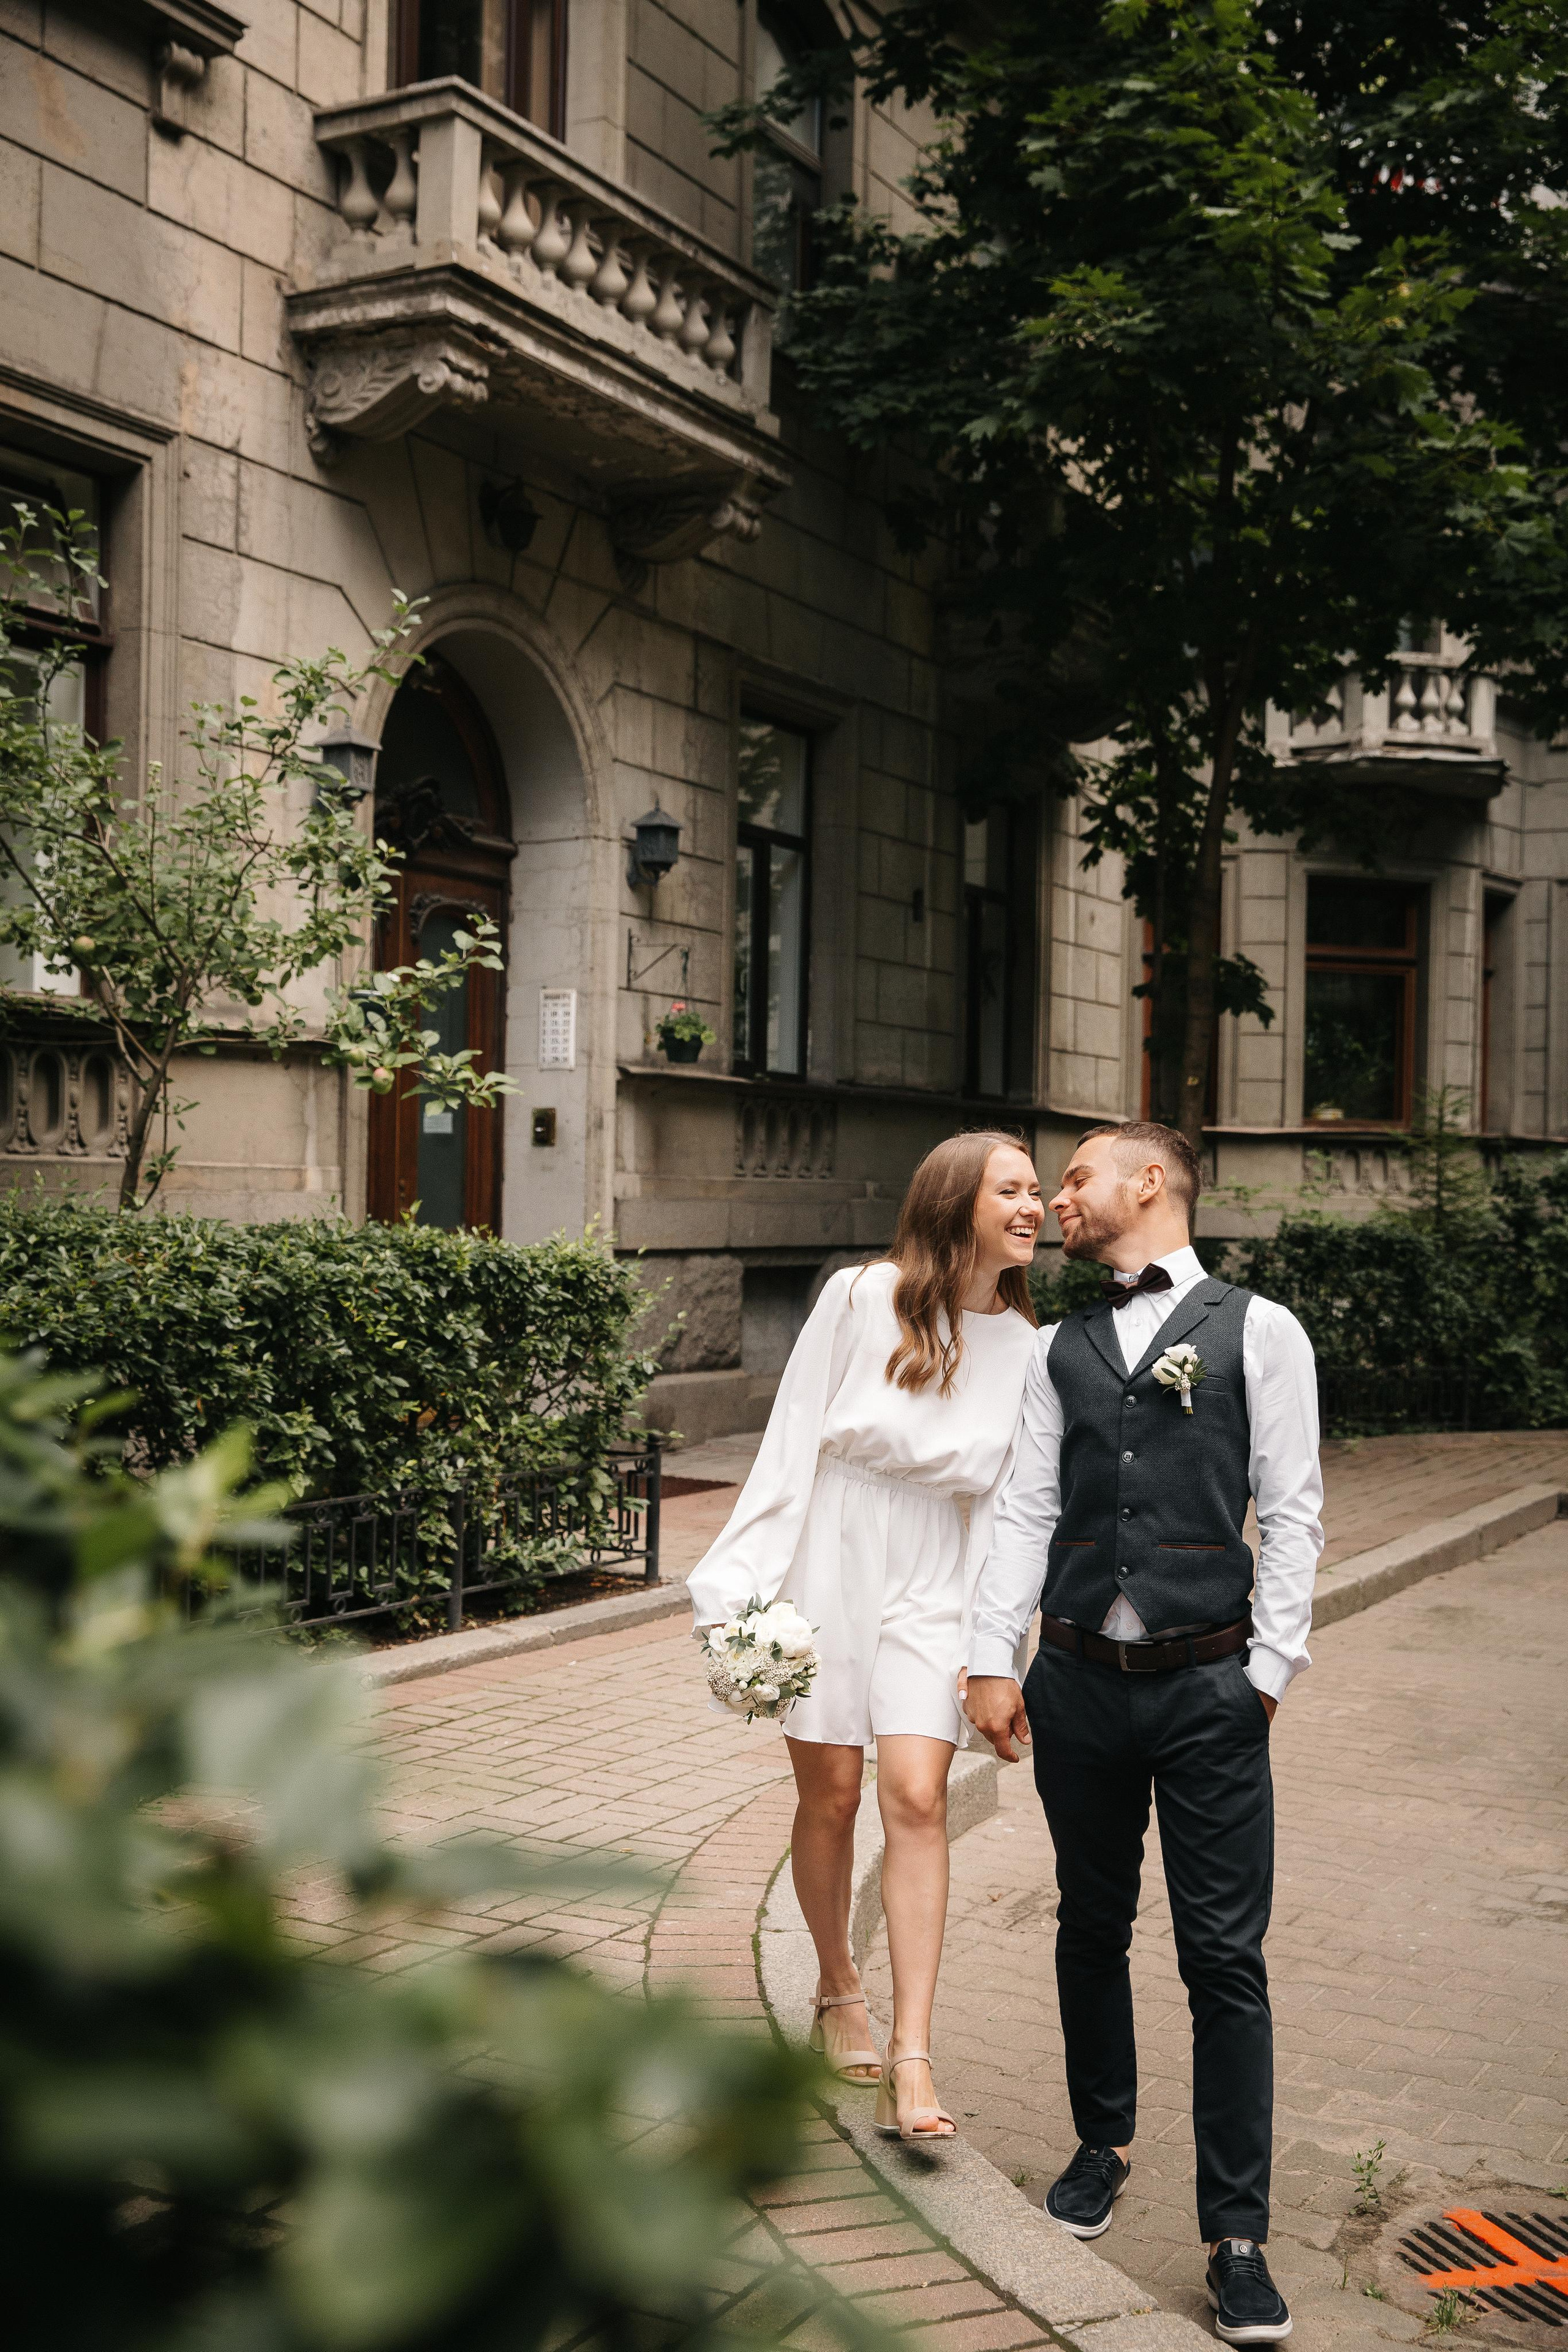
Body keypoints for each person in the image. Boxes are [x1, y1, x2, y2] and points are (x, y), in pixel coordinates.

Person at [965, 1121, 1322, 2348]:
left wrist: (1265, 1673)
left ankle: (1235, 2236)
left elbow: (1291, 1508)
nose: (1055, 1196)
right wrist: (988, 1657)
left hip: (1208, 1688)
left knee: (1224, 1959)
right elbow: (1020, 1507)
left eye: (1072, 1176)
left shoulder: (1258, 1330)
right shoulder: (1053, 1348)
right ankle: (1098, 2144)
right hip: (1071, 1681)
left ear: (1146, 1182)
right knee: (1088, 1923)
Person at [688, 1131, 1044, 2142]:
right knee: (834, 1793)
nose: (1035, 1208)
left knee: (919, 1795)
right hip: (834, 1552)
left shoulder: (1029, 1346)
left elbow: (1015, 1511)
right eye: (1011, 1190)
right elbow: (793, 1437)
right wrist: (739, 1590)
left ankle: (914, 2059)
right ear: (955, 1202)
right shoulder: (859, 1296)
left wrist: (994, 1648)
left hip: (941, 1566)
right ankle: (838, 1987)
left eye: (1038, 1192)